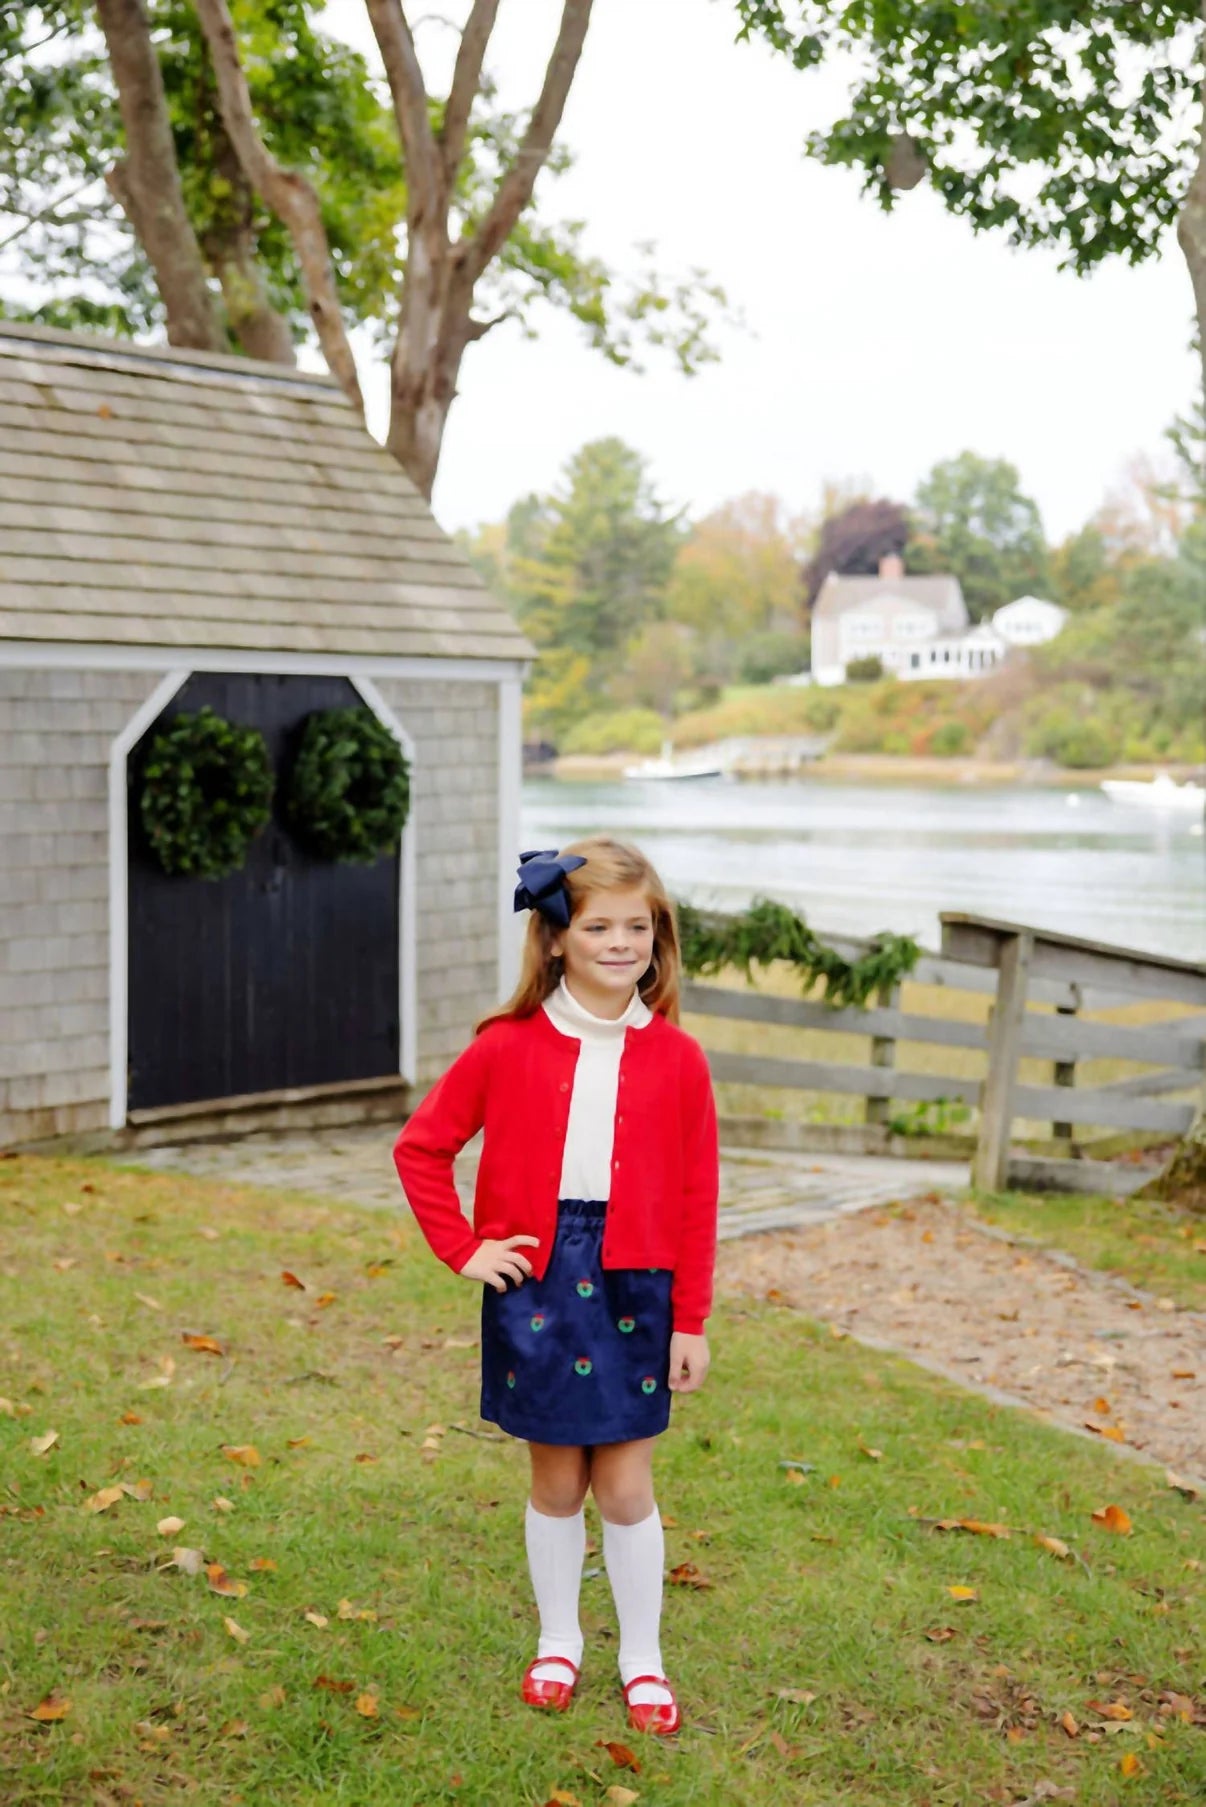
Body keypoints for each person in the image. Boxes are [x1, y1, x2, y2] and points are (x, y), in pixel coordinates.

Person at [394, 835, 719, 1736]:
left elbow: (699, 1197)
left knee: (623, 1486)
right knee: (556, 1482)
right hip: (538, 1277)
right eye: (600, 924)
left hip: (637, 1284)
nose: (622, 941)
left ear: (659, 937)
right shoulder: (504, 1047)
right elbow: (421, 1147)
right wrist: (464, 1249)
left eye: (639, 925)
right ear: (556, 939)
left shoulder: (681, 1060)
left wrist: (688, 1319)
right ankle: (558, 1640)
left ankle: (642, 1657)